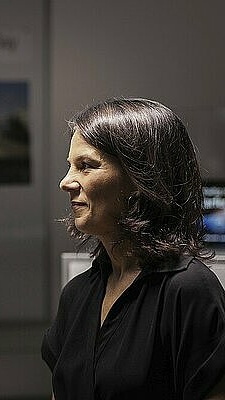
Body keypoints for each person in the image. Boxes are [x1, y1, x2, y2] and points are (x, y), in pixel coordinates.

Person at [42, 98, 225, 399]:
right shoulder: (76, 295)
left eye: (86, 166)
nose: (66, 182)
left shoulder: (189, 291)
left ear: (141, 178)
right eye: (70, 166)